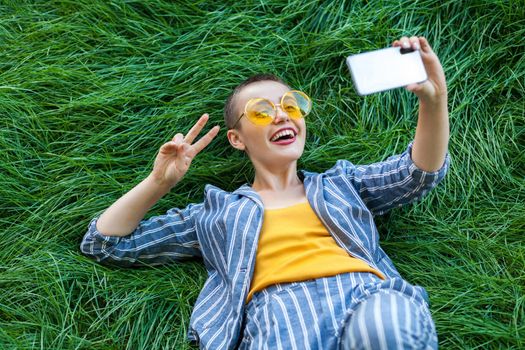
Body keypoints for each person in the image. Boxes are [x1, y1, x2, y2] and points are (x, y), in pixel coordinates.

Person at [80, 35, 450, 349]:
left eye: (292, 104)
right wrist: (158, 183)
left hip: (363, 296)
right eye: (261, 111)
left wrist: (434, 100)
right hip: (278, 317)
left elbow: (417, 173)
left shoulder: (341, 184)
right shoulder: (216, 212)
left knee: (388, 326)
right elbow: (105, 243)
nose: (282, 115)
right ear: (236, 139)